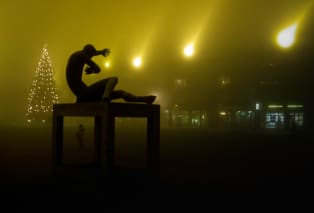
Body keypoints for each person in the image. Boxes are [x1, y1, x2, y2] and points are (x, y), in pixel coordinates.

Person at [66, 44, 156, 103]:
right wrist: (92, 70)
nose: (91, 58)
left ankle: (143, 99)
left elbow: (92, 53)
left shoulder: (78, 55)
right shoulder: (82, 56)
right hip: (83, 94)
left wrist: (100, 52)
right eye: (91, 56)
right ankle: (106, 97)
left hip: (84, 95)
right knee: (113, 79)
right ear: (87, 53)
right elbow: (98, 69)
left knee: (120, 93)